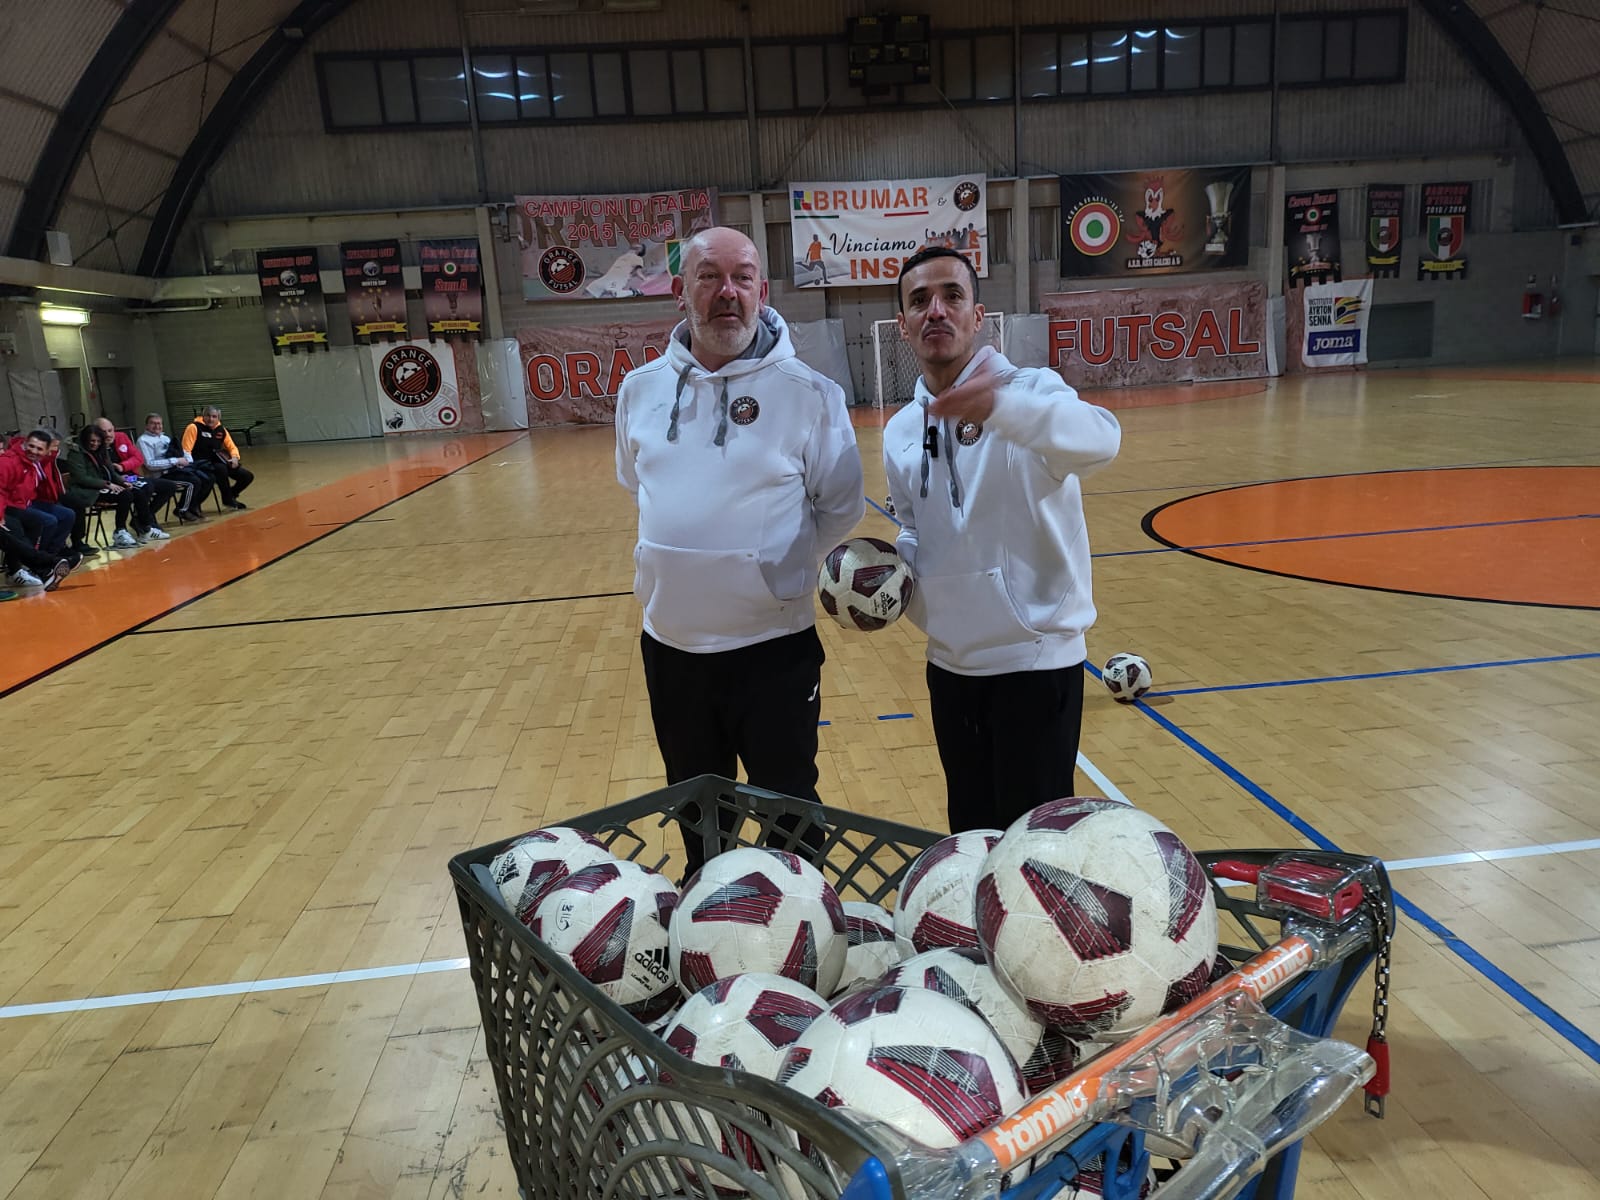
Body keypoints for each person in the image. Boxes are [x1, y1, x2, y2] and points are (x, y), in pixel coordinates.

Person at [615, 227, 864, 878]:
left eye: (742, 277)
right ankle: (708, 922)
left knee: (790, 813)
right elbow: (638, 483)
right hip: (672, 650)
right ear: (680, 291)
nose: (727, 292)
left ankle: (804, 928)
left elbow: (841, 507)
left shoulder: (811, 394)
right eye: (709, 276)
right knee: (699, 815)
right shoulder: (639, 390)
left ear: (762, 291)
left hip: (773, 652)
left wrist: (774, 571)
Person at [882, 246, 1121, 835]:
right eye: (920, 301)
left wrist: (1002, 408)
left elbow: (1102, 439)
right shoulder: (901, 429)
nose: (936, 310)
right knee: (969, 839)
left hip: (1035, 666)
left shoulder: (1033, 391)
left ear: (978, 315)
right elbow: (913, 528)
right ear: (904, 325)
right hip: (950, 667)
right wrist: (888, 579)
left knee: (1033, 854)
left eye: (952, 296)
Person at [64, 424, 161, 548]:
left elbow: (111, 472)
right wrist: (107, 484)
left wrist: (122, 482)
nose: (95, 444)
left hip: (104, 486)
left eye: (98, 441)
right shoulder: (76, 454)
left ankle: (145, 528)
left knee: (138, 491)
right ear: (85, 439)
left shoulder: (102, 451)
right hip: (88, 490)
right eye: (92, 441)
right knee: (125, 495)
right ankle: (120, 531)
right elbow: (81, 478)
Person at [95, 418, 176, 537]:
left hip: (131, 477)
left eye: (110, 430)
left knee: (169, 486)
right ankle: (146, 523)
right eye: (103, 432)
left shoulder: (121, 437)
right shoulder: (95, 446)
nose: (108, 434)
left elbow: (138, 458)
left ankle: (142, 517)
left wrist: (123, 466)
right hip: (116, 481)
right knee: (146, 487)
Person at [137, 412, 212, 522]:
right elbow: (150, 464)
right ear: (147, 426)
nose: (157, 426)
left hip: (174, 470)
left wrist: (187, 459)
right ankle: (182, 510)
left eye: (159, 423)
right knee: (193, 482)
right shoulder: (143, 441)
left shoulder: (165, 438)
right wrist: (175, 461)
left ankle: (193, 507)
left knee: (207, 478)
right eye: (153, 423)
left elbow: (179, 452)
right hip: (160, 475)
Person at [181, 406, 253, 509]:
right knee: (221, 469)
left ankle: (231, 495)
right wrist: (191, 467)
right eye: (208, 416)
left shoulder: (221, 430)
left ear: (218, 418)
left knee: (247, 476)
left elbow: (232, 447)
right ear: (203, 416)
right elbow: (186, 450)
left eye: (214, 417)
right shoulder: (193, 427)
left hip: (218, 461)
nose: (211, 419)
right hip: (200, 463)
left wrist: (235, 457)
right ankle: (227, 499)